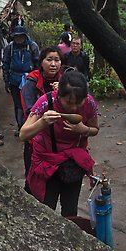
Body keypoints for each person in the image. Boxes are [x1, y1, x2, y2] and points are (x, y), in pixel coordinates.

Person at [19, 69, 99, 217]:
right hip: (48, 163)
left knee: (70, 210)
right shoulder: (46, 102)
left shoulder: (89, 103)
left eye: (78, 102)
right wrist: (43, 122)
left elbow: (95, 129)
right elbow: (23, 134)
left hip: (74, 164)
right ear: (59, 95)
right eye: (69, 102)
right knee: (46, 210)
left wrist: (83, 129)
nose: (74, 107)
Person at [20, 46, 64, 192]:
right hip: (36, 139)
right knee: (33, 177)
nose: (53, 64)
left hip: (58, 140)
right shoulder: (31, 84)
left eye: (57, 60)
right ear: (41, 62)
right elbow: (30, 111)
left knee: (54, 179)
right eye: (49, 59)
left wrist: (63, 91)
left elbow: (74, 106)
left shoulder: (65, 82)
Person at [2, 25, 40, 136]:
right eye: (16, 37)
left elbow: (37, 64)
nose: (18, 39)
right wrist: (6, 81)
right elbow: (5, 64)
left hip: (30, 79)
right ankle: (20, 126)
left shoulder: (32, 46)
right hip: (15, 79)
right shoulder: (10, 47)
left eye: (20, 37)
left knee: (30, 103)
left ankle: (31, 126)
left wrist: (37, 79)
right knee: (18, 105)